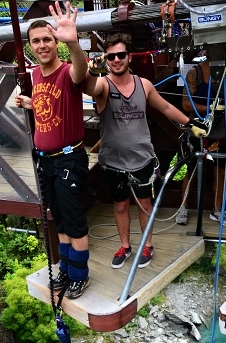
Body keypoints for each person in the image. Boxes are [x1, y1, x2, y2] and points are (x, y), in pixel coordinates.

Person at [87, 33, 206, 269]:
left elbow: (165, 106)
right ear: (106, 60)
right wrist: (92, 71)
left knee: (145, 204)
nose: (116, 60)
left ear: (129, 57)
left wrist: (190, 123)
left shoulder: (144, 85)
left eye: (121, 55)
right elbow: (88, 86)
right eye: (111, 57)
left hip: (142, 159)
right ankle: (125, 245)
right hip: (112, 160)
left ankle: (147, 245)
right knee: (120, 205)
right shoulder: (103, 85)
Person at [15, 3, 92, 299]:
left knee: (74, 221)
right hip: (45, 161)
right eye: (36, 40)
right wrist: (30, 104)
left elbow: (80, 69)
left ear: (56, 42)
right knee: (58, 220)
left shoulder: (66, 72)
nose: (42, 45)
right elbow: (49, 106)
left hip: (69, 158)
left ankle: (80, 275)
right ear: (31, 46)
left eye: (47, 39)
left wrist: (74, 43)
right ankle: (66, 270)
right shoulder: (35, 75)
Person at [177, 54, 226, 227]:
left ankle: (217, 210)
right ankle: (183, 207)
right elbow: (185, 103)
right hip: (198, 128)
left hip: (221, 130)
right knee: (191, 170)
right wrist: (209, 108)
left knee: (220, 171)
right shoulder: (194, 72)